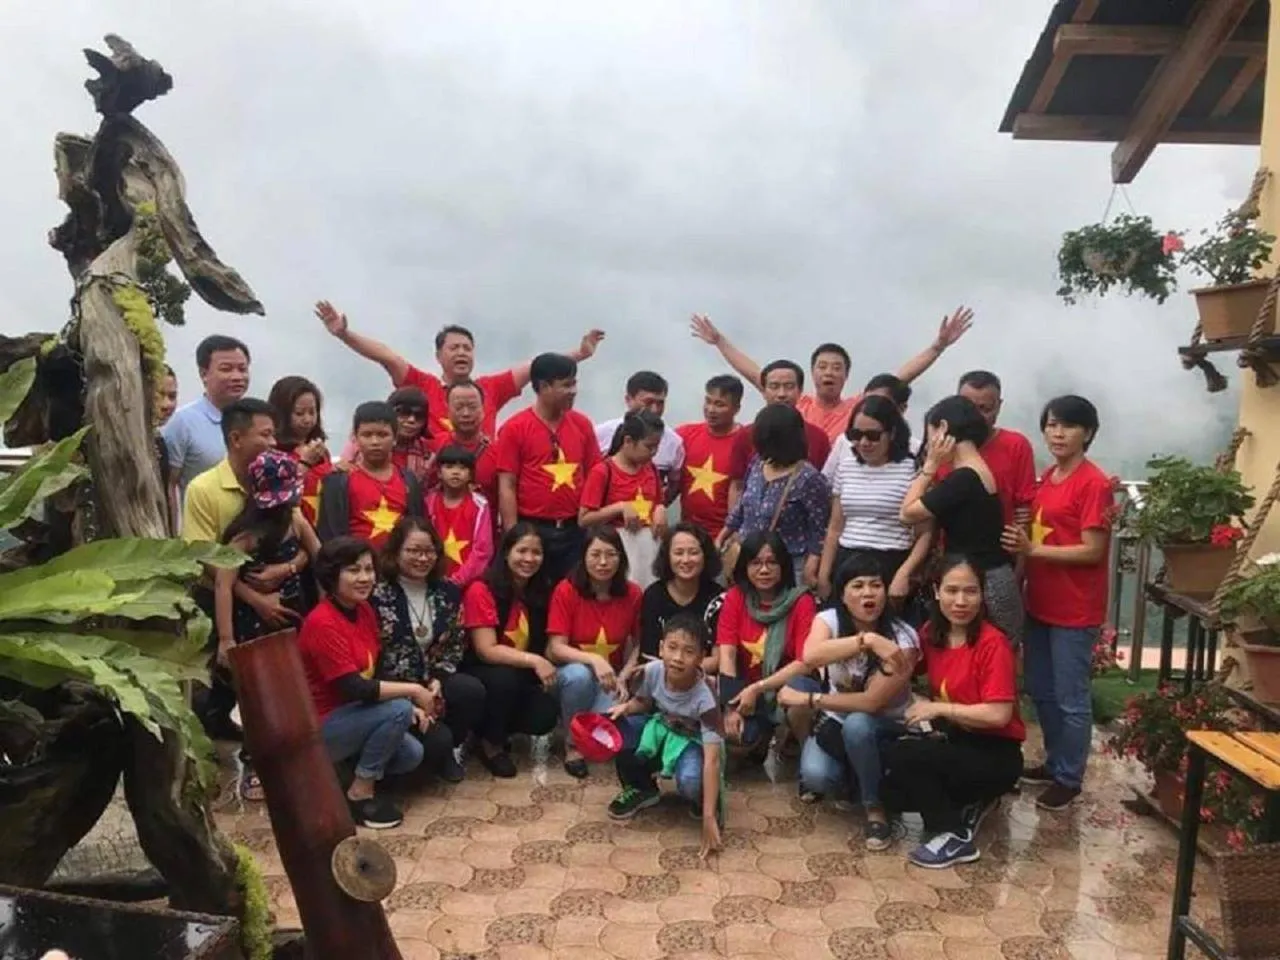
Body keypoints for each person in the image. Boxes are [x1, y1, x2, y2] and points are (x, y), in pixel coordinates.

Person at [1002, 395, 1113, 811]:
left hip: (1075, 608)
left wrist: (1032, 551)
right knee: (1041, 690)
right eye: (1051, 425)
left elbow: (1091, 550)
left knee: (1071, 696)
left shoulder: (1094, 483)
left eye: (1068, 426)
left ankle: (1070, 776)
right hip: (1040, 602)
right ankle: (1053, 761)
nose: (1058, 433)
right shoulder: (1049, 475)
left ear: (1088, 432)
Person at [882, 556, 1025, 869]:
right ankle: (972, 802)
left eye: (970, 592)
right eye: (952, 590)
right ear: (937, 591)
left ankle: (955, 834)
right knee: (892, 790)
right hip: (956, 740)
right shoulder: (932, 632)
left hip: (996, 752)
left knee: (907, 757)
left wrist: (938, 707)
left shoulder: (993, 643)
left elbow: (999, 715)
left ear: (982, 594)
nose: (961, 601)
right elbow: (903, 666)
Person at [315, 299, 604, 439]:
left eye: (467, 347)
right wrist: (344, 334)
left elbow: (536, 366)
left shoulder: (490, 388)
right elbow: (388, 357)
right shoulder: (422, 386)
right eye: (454, 348)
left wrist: (579, 354)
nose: (462, 353)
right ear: (438, 355)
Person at [298, 537, 436, 829]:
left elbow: (377, 670)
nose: (364, 578)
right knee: (398, 708)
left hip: (355, 715)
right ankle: (360, 793)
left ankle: (345, 773)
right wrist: (412, 693)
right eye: (353, 571)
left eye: (368, 569)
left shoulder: (363, 611)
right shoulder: (322, 622)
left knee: (413, 753)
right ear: (332, 576)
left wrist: (407, 706)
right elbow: (354, 687)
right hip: (320, 726)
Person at [785, 551, 918, 849]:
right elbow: (810, 655)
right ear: (842, 595)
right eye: (857, 586)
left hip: (886, 727)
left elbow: (871, 703)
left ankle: (875, 808)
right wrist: (867, 640)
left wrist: (811, 699)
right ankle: (854, 776)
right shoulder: (828, 620)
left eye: (876, 585)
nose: (868, 593)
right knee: (818, 778)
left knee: (858, 724)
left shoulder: (904, 639)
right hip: (835, 723)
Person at [689, 309, 974, 442]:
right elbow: (756, 374)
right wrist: (719, 342)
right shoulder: (796, 403)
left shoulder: (857, 408)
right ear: (811, 373)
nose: (829, 372)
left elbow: (898, 380)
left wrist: (937, 347)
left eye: (837, 367)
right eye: (822, 366)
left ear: (846, 375)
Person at [213, 450, 319, 800]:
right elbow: (223, 584)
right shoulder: (246, 535)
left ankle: (293, 761)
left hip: (292, 618)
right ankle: (254, 764)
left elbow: (319, 556)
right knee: (257, 698)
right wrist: (226, 639)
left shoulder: (295, 520)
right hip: (252, 626)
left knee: (292, 689)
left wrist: (294, 570)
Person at [371, 516, 486, 783]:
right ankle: (436, 750)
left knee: (470, 691)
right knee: (435, 743)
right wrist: (409, 695)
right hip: (394, 688)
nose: (423, 559)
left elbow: (455, 645)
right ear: (396, 551)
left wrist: (438, 679)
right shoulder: (375, 594)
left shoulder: (448, 592)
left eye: (429, 551)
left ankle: (448, 748)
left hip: (432, 679)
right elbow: (373, 657)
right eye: (413, 551)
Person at [900, 395, 1023, 644]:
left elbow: (907, 513)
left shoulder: (964, 477)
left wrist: (930, 466)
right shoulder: (977, 470)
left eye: (931, 433)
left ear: (943, 429)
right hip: (991, 577)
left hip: (979, 583)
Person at [605, 615, 724, 858]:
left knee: (690, 781)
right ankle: (642, 788)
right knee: (618, 730)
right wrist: (625, 708)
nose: (678, 658)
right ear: (660, 648)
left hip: (692, 741)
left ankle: (703, 800)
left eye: (689, 651)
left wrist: (710, 817)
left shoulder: (707, 698)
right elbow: (642, 701)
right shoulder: (652, 671)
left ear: (702, 657)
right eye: (672, 648)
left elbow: (713, 759)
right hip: (660, 728)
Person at [460, 523, 559, 777]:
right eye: (521, 551)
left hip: (518, 673)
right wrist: (534, 660)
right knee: (504, 680)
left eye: (536, 553)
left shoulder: (539, 590)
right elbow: (485, 650)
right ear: (506, 552)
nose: (529, 559)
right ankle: (490, 744)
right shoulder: (481, 589)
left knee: (545, 714)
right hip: (481, 671)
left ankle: (495, 729)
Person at [493, 353, 601, 583]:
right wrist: (515, 536)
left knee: (574, 594)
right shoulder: (514, 428)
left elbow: (595, 475)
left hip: (575, 530)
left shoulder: (582, 424)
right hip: (533, 529)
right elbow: (507, 485)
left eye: (574, 383)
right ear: (543, 387)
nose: (573, 391)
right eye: (566, 385)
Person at [546, 526, 643, 778]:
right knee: (579, 676)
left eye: (611, 554)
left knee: (617, 733)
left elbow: (641, 643)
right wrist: (594, 659)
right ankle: (572, 744)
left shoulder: (633, 593)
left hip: (610, 681)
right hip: (570, 675)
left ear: (621, 558)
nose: (603, 562)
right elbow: (555, 648)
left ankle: (583, 726)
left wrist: (624, 676)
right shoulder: (566, 590)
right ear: (583, 557)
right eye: (595, 554)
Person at [818, 394, 930, 604]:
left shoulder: (912, 469)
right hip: (847, 559)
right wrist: (824, 575)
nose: (864, 442)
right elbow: (835, 526)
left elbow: (925, 533)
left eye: (873, 435)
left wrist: (904, 574)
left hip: (891, 559)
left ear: (892, 433)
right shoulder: (847, 465)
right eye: (856, 435)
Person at [716, 531, 818, 755]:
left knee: (800, 693)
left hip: (786, 691)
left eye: (772, 562)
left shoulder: (802, 601)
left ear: (783, 566)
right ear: (745, 567)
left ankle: (804, 748)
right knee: (737, 738)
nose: (764, 570)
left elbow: (806, 662)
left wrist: (759, 688)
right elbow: (727, 654)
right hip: (745, 693)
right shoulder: (735, 597)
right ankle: (760, 740)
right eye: (756, 563)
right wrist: (730, 707)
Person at [721, 404, 830, 587]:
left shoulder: (808, 478)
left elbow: (819, 527)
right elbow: (743, 504)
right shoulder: (757, 464)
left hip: (788, 564)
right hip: (749, 559)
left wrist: (813, 563)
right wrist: (724, 535)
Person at [317, 401, 426, 551]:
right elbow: (329, 535)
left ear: (395, 438)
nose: (375, 442)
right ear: (355, 438)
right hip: (356, 568)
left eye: (382, 435)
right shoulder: (339, 481)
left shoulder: (409, 481)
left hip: (398, 568)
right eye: (367, 435)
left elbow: (418, 530)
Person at [580, 411, 668, 589]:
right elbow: (584, 519)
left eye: (656, 447)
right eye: (648, 446)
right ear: (628, 441)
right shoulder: (603, 471)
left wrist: (661, 509)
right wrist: (619, 507)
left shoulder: (651, 469)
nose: (653, 452)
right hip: (618, 549)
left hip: (649, 549)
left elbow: (658, 501)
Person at [943, 370, 1037, 529]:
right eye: (968, 408)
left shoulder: (1016, 445)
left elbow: (1025, 506)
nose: (976, 417)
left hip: (999, 545)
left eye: (985, 409)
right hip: (948, 547)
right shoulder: (942, 447)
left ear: (999, 406)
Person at [162, 334, 251, 496]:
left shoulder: (255, 421)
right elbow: (169, 486)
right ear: (204, 374)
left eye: (242, 369)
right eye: (226, 369)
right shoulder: (183, 422)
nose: (237, 377)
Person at [639, 523, 724, 670]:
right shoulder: (653, 595)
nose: (685, 560)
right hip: (660, 679)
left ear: (706, 556)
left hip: (703, 680)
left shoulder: (719, 598)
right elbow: (649, 655)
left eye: (693, 552)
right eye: (678, 553)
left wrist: (683, 671)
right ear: (667, 557)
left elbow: (718, 659)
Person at [593, 371, 686, 504]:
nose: (654, 410)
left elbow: (674, 484)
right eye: (648, 402)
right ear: (628, 400)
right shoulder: (601, 433)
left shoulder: (674, 443)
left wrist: (658, 508)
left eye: (660, 403)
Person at [675, 375, 744, 542]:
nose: (711, 409)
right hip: (688, 537)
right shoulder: (684, 435)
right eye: (708, 401)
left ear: (736, 408)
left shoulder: (746, 441)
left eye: (720, 404)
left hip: (725, 538)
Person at [267, 375, 332, 527]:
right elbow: (277, 494)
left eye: (312, 412)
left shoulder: (321, 451)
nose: (307, 419)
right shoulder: (272, 453)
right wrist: (305, 463)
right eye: (300, 413)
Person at [425, 444, 494, 588]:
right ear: (438, 473)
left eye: (462, 468)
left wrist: (458, 580)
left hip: (468, 581)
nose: (456, 472)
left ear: (470, 474)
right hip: (431, 579)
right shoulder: (429, 501)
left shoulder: (480, 505)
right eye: (449, 467)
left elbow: (482, 550)